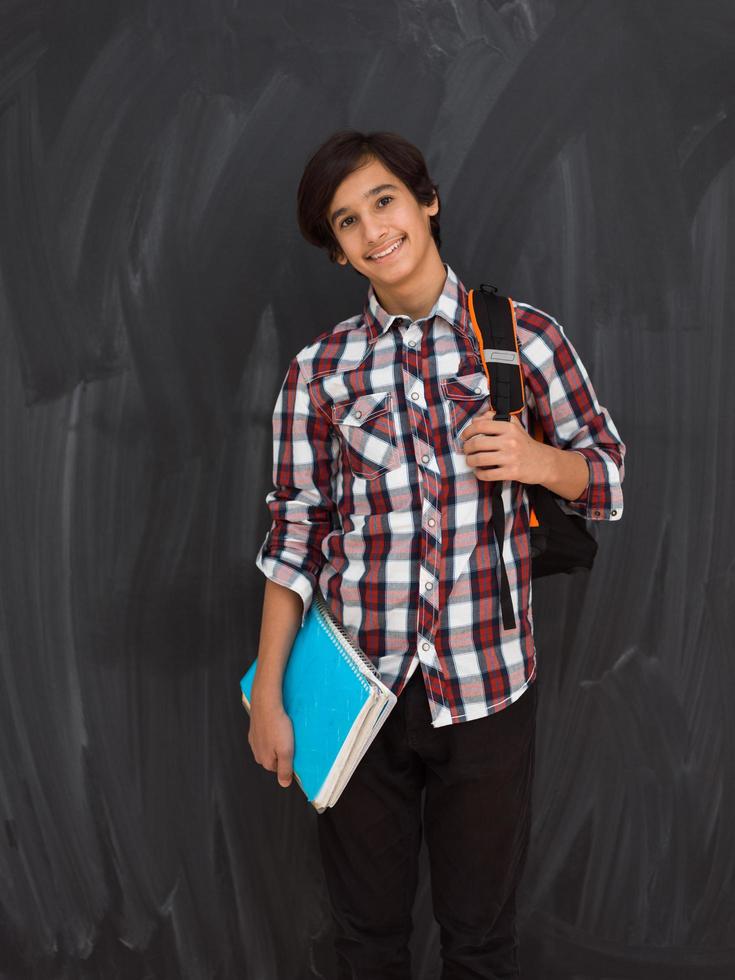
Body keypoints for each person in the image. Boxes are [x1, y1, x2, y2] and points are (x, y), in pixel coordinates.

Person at [247, 130, 626, 979]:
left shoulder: (522, 338)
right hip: (357, 694)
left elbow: (605, 477)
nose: (372, 229)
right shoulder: (320, 371)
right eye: (346, 221)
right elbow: (294, 531)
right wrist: (267, 692)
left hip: (488, 689)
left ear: (426, 202)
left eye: (383, 201)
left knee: (481, 941)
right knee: (366, 940)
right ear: (338, 251)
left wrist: (536, 460)